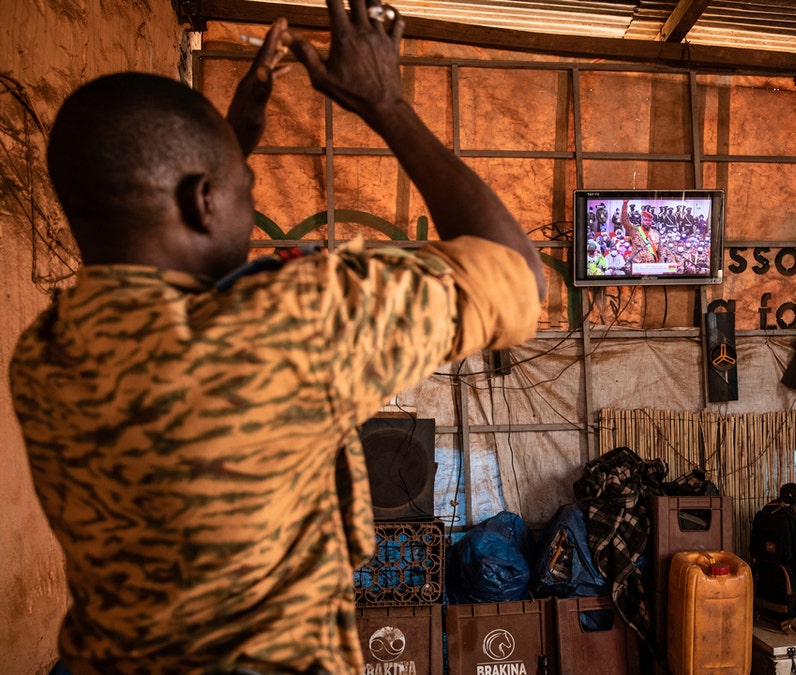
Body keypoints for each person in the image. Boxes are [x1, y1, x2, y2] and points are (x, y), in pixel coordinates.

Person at [10, 1, 545, 673]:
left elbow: (179, 249)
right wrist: (386, 103)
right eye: (245, 187)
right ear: (204, 201)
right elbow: (520, 279)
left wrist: (231, 138)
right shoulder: (286, 327)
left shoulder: (45, 352)